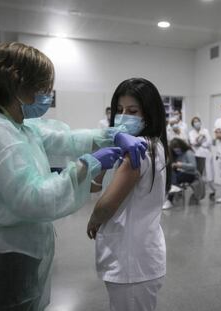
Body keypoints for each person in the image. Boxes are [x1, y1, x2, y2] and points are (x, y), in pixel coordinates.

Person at [0, 42, 147, 311]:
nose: (48, 95)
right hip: (3, 256)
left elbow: (63, 139)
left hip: (14, 251)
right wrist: (87, 166)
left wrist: (110, 135)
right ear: (19, 84)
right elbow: (33, 199)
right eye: (43, 87)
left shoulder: (14, 124)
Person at [86, 78, 170, 311]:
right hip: (138, 254)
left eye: (132, 111)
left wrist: (94, 218)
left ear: (149, 114)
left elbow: (106, 204)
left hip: (132, 262)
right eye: (119, 110)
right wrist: (101, 161)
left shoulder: (138, 150)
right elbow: (94, 186)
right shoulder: (153, 144)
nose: (123, 116)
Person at [162, 138, 197, 210]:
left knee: (174, 178)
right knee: (171, 175)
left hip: (190, 174)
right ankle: (173, 188)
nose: (177, 151)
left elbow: (193, 167)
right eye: (175, 150)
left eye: (178, 149)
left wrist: (181, 165)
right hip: (180, 173)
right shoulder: (176, 155)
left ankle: (169, 200)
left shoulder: (188, 153)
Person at [188, 116, 215, 199]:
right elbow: (193, 142)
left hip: (207, 154)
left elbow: (209, 142)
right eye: (195, 122)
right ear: (192, 124)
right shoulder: (191, 133)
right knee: (198, 174)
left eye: (198, 121)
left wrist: (200, 142)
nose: (197, 123)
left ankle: (212, 190)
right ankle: (198, 191)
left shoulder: (205, 131)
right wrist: (201, 137)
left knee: (209, 174)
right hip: (197, 155)